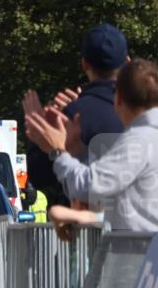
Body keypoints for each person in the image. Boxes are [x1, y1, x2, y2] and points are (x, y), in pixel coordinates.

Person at [25, 57, 158, 233]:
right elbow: (128, 206)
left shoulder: (140, 140)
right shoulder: (147, 137)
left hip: (142, 257)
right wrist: (77, 151)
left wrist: (57, 151)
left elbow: (89, 187)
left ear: (118, 100)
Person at [23, 23, 129, 205]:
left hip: (83, 226)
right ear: (127, 62)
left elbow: (39, 175)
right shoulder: (141, 112)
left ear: (84, 64)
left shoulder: (71, 115)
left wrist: (40, 131)